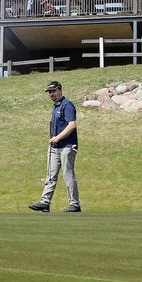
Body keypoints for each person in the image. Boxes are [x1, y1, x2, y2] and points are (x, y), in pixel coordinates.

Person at [29, 81, 81, 213]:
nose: (51, 94)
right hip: (54, 147)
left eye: (53, 91)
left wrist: (57, 137)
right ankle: (45, 202)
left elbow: (72, 125)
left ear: (60, 90)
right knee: (50, 176)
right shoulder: (56, 107)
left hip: (67, 146)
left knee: (68, 175)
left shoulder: (67, 105)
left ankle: (74, 204)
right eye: (49, 92)